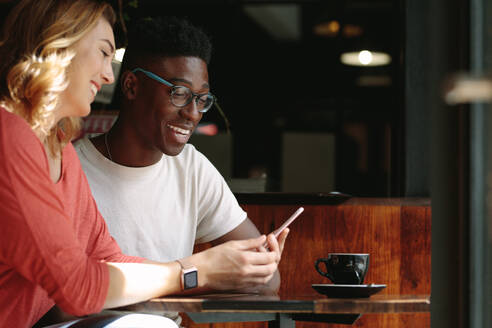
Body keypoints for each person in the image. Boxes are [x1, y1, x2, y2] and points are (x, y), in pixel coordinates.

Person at [0, 1, 288, 327]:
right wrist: (196, 272)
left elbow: (107, 258)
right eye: (103, 53)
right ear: (59, 45)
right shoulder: (9, 135)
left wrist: (223, 269)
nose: (108, 74)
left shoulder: (59, 149)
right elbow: (76, 286)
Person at [74, 16, 284, 295]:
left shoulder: (191, 168)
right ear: (131, 86)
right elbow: (64, 294)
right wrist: (197, 273)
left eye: (201, 99)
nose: (193, 113)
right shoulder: (71, 168)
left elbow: (268, 280)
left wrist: (213, 272)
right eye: (179, 93)